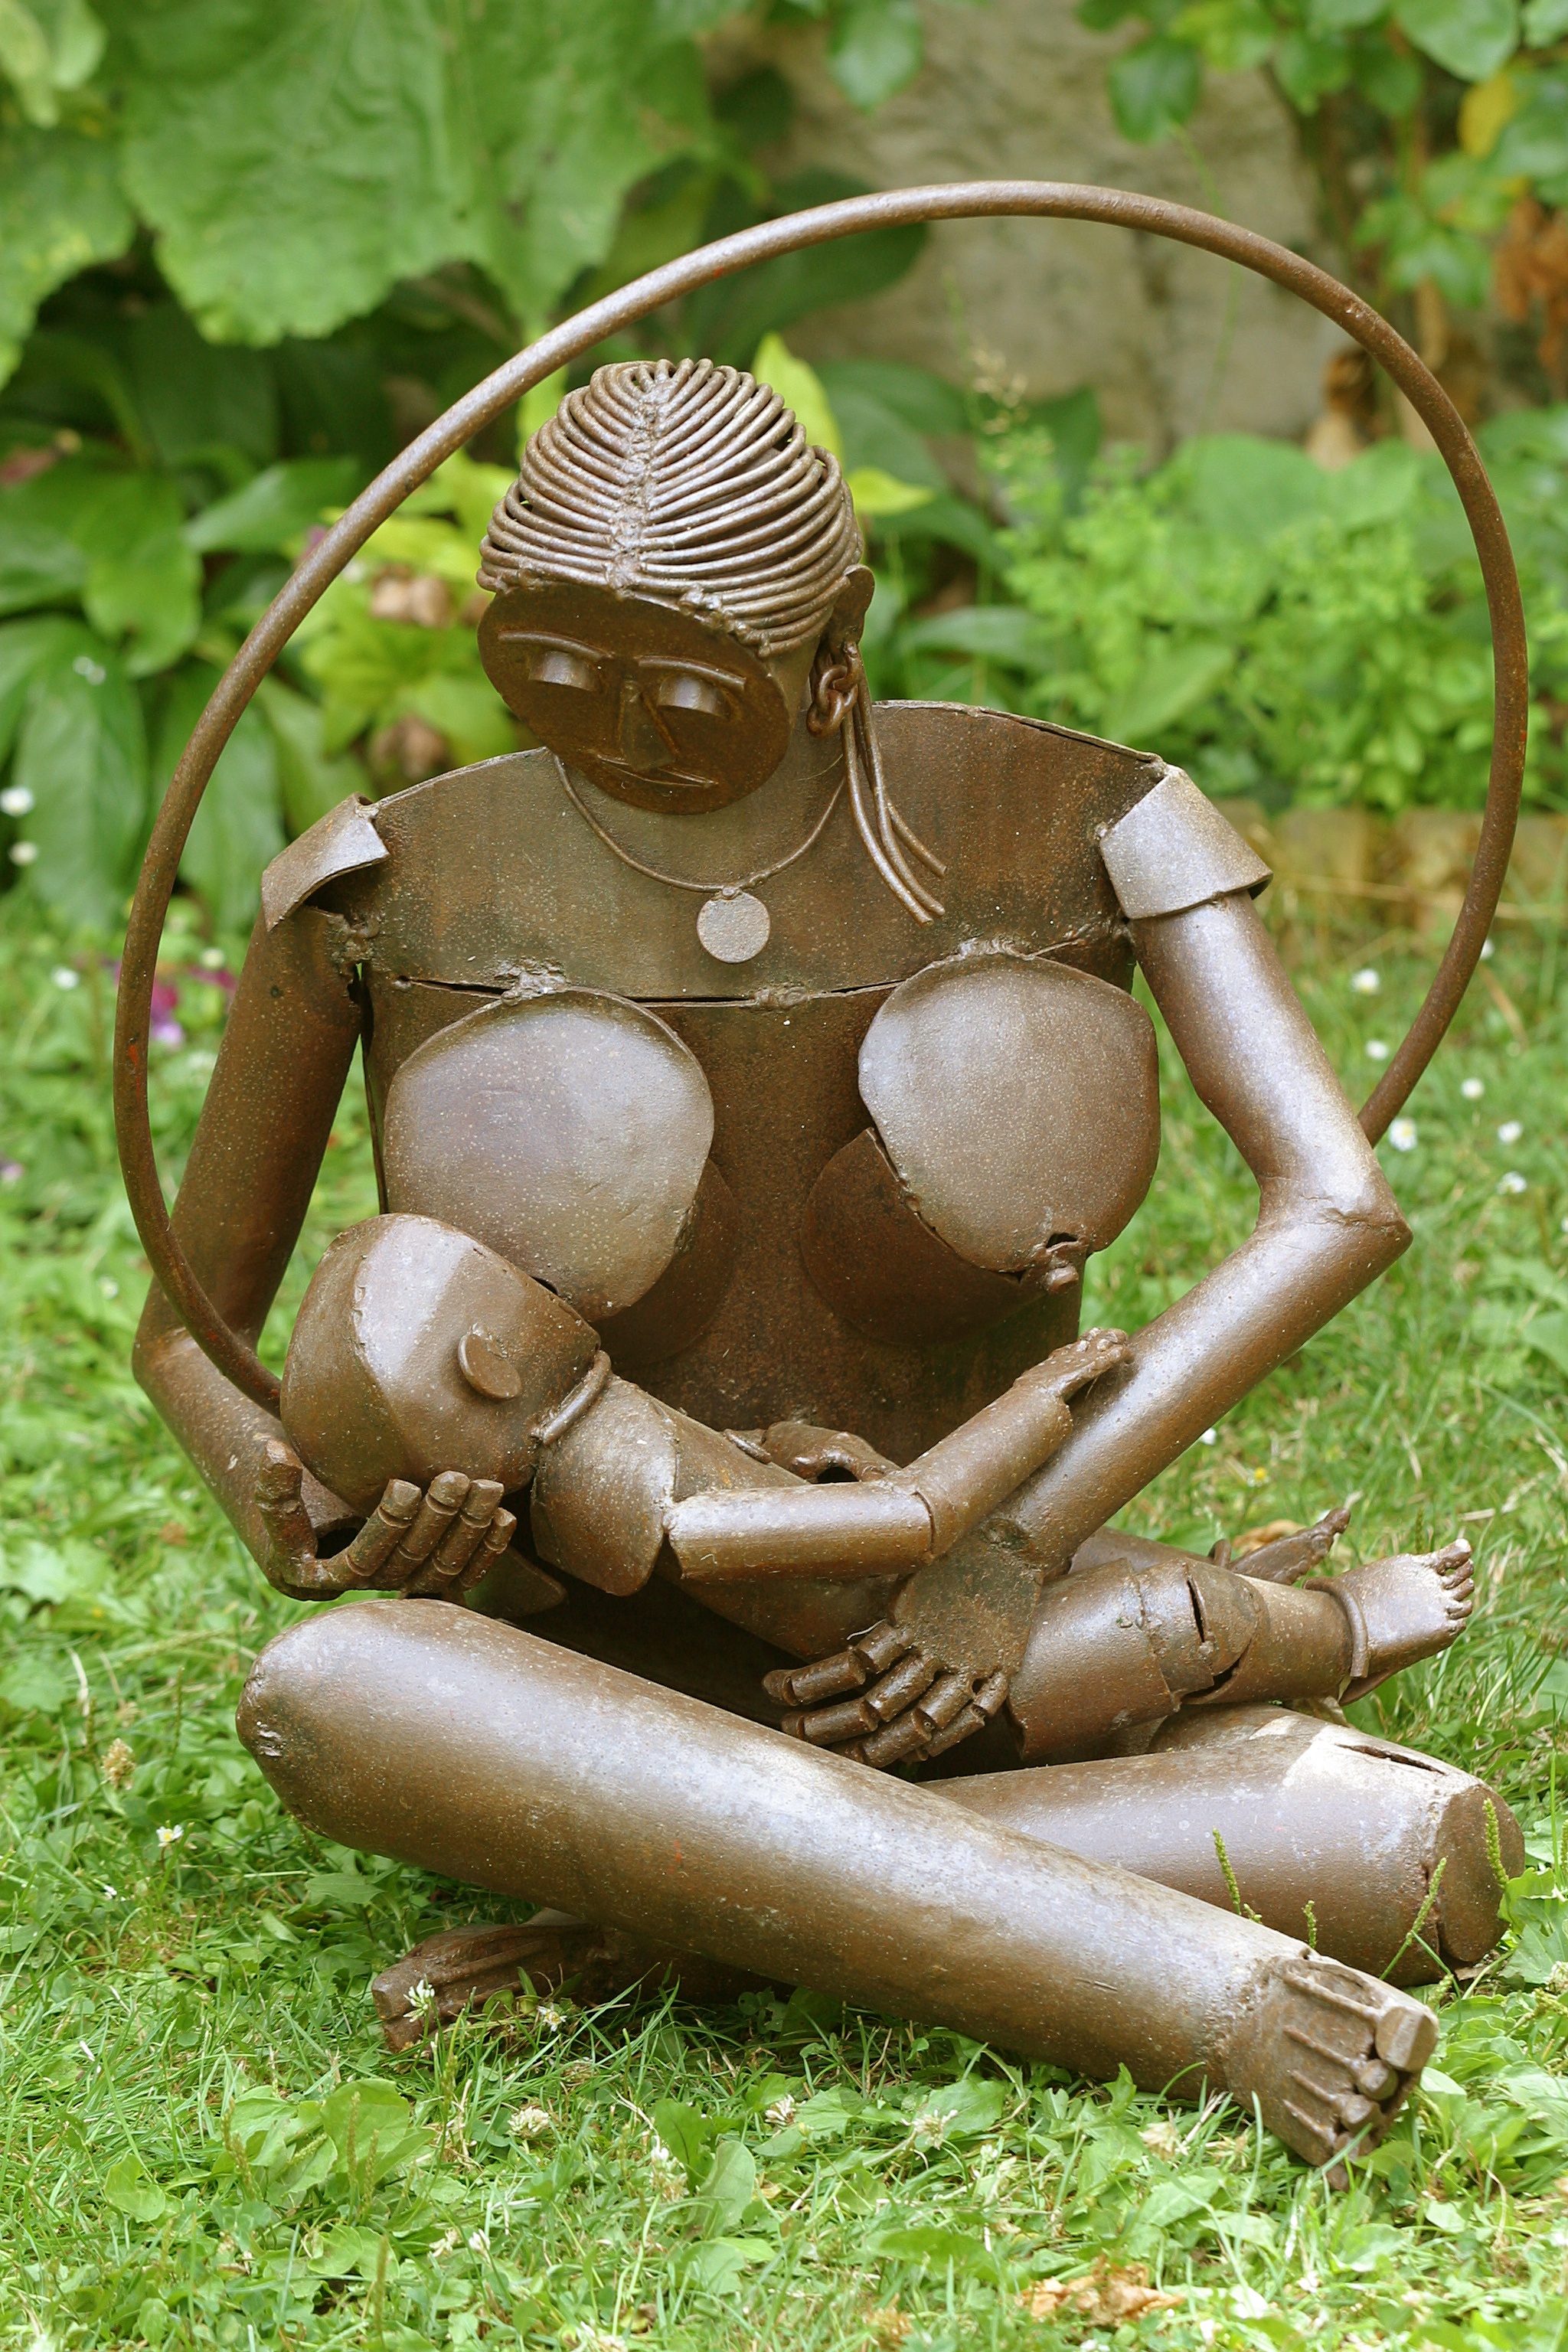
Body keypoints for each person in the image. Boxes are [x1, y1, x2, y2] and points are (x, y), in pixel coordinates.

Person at [136, 358, 1507, 2177]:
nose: (617, 730)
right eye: (551, 670)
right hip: (567, 1657)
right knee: (330, 1690)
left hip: (949, 1636)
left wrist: (1007, 1553)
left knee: (1399, 1846)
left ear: (833, 647)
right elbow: (190, 1326)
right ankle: (1177, 1976)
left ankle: (656, 1916)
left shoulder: (1091, 820)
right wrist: (291, 1501)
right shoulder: (388, 883)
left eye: (690, 687)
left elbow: (1334, 1204)